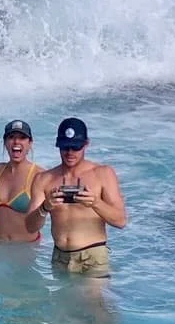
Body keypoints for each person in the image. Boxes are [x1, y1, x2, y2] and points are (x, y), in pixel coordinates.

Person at [39, 116, 126, 275]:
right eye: (66, 147)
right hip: (59, 257)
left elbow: (121, 221)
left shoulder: (103, 174)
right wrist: (45, 207)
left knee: (92, 301)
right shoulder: (45, 178)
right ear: (58, 145)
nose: (70, 152)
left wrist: (95, 203)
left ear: (86, 144)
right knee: (60, 300)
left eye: (75, 147)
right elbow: (30, 227)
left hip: (92, 256)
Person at [0, 119, 45, 244]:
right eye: (11, 137)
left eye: (22, 137)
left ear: (30, 143)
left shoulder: (39, 175)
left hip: (25, 249)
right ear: (5, 143)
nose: (16, 141)